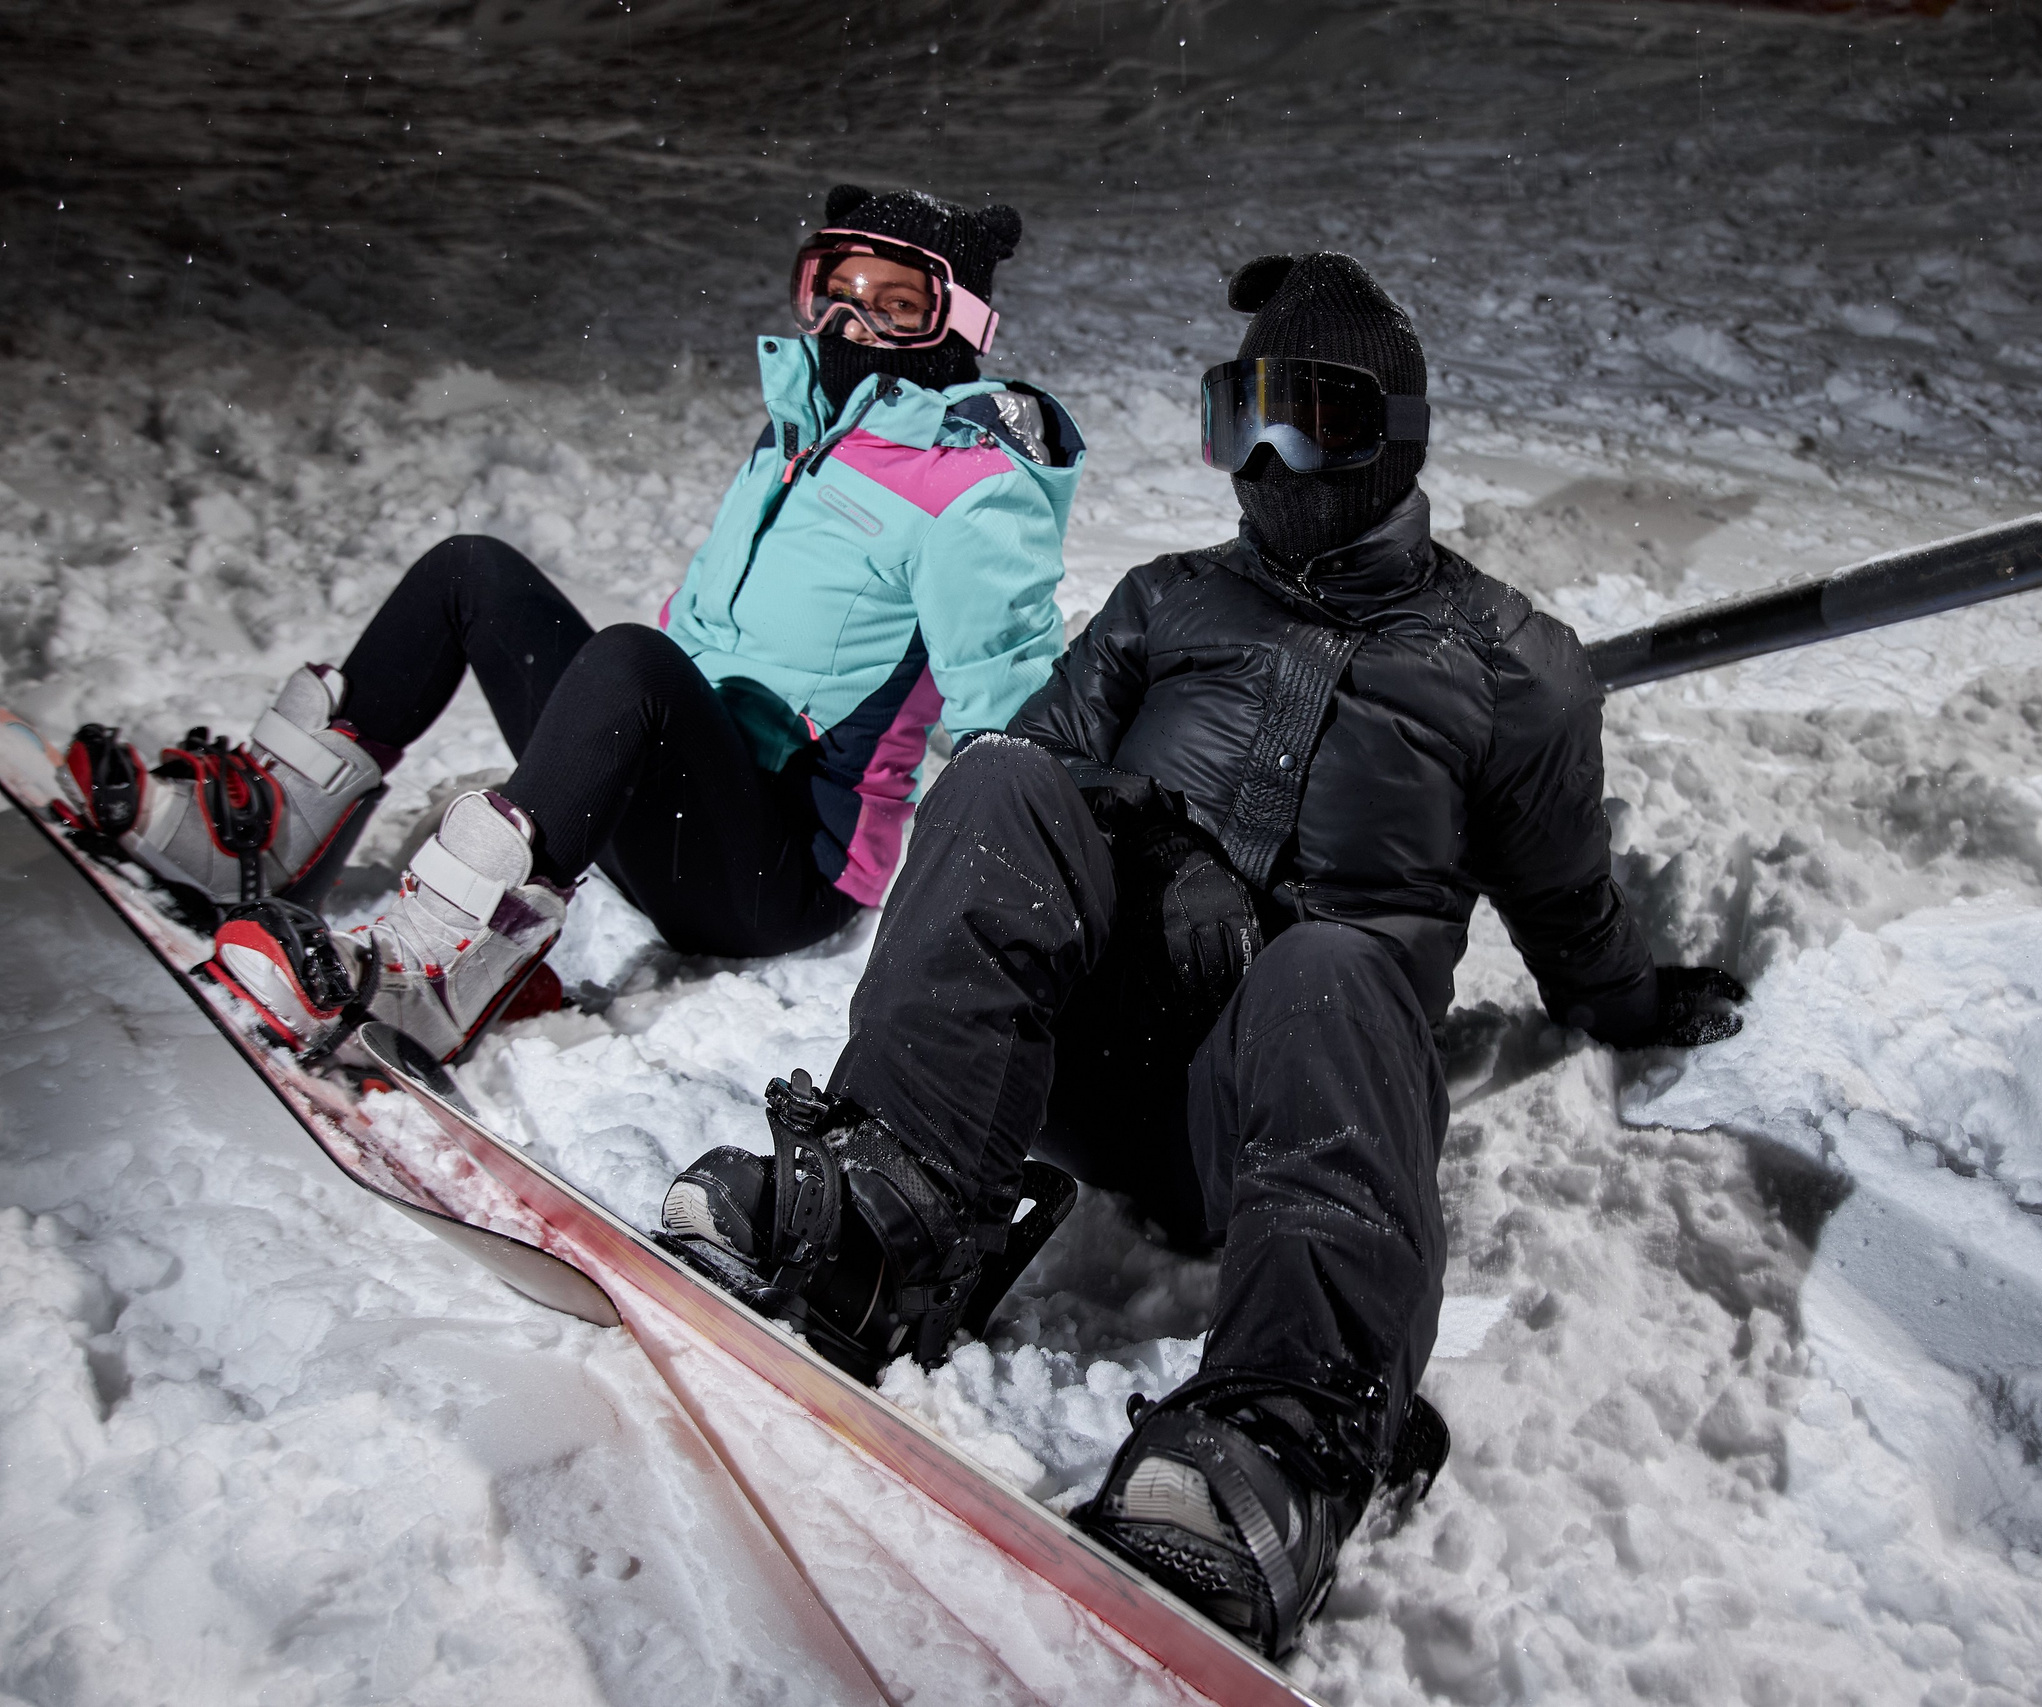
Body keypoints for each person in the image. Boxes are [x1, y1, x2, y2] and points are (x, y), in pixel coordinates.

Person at [656, 252, 1745, 1658]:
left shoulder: (1512, 666)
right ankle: (884, 1220)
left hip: (1276, 1107)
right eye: (1246, 415)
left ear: (1397, 435)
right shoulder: (1166, 601)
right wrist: (1154, 853)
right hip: (1066, 1058)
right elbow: (1032, 777)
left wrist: (1632, 999)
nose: (1275, 458)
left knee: (1334, 965)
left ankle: (1288, 1433)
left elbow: (1563, 896)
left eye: (1320, 418)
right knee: (993, 781)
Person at [54, 185, 1083, 1064]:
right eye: (835, 290)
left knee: (631, 659)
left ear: (960, 323)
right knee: (472, 571)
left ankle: (436, 975)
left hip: (778, 874)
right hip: (664, 804)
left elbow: (1013, 719)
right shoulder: (802, 434)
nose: (850, 325)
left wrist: (1060, 889)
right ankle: (269, 832)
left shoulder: (974, 489)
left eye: (896, 304)